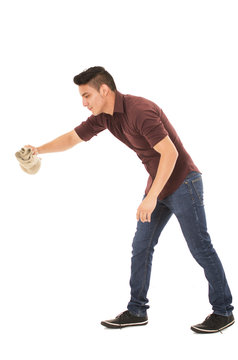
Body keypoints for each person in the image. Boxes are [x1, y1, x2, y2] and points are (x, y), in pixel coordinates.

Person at [26, 66, 234, 333]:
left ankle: (223, 311)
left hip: (183, 182)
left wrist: (152, 197)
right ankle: (137, 310)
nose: (84, 103)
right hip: (158, 186)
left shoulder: (140, 111)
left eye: (87, 95)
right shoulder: (105, 117)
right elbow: (72, 137)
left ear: (104, 90)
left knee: (201, 248)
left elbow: (169, 154)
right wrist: (38, 149)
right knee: (141, 247)